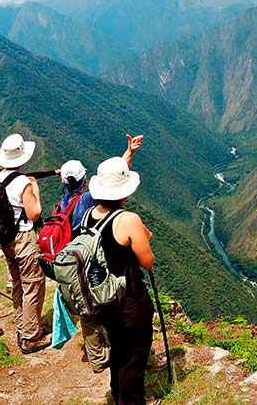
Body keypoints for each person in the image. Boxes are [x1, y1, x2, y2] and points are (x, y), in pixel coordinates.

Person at [57, 134, 143, 373]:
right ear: (85, 181)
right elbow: (112, 186)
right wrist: (128, 156)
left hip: (73, 263)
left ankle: (97, 358)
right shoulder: (86, 201)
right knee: (103, 308)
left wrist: (129, 154)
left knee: (87, 312)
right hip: (92, 264)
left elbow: (109, 181)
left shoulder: (64, 203)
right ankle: (122, 353)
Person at [86, 156, 155, 405]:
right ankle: (132, 401)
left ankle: (118, 395)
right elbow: (147, 262)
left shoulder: (88, 216)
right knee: (135, 355)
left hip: (103, 300)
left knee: (119, 349)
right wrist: (146, 238)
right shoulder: (127, 219)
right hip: (130, 300)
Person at [0, 133, 49, 354]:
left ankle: (23, 327)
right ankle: (31, 337)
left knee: (18, 283)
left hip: (6, 240)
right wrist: (35, 189)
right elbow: (34, 214)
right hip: (24, 239)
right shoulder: (23, 183)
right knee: (33, 285)